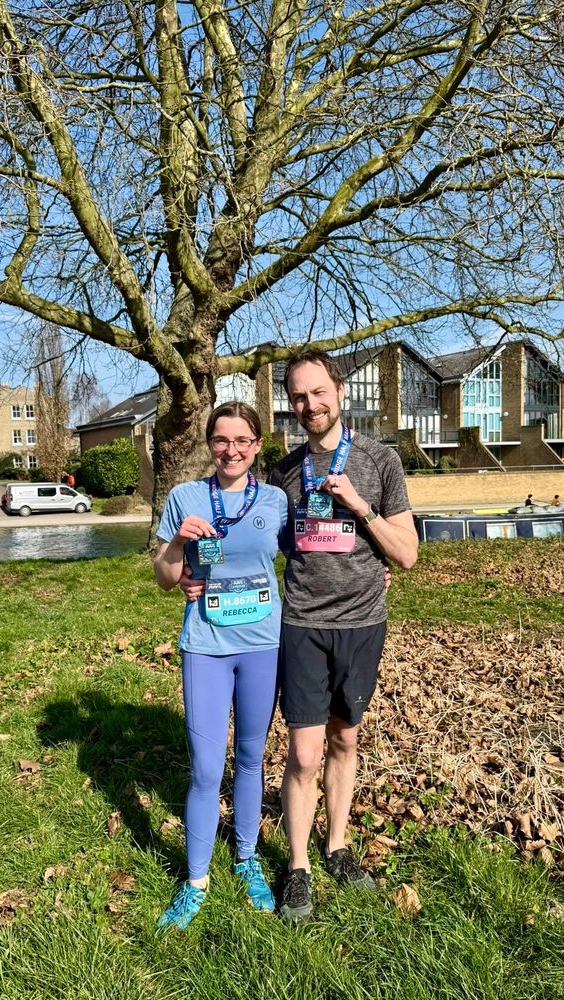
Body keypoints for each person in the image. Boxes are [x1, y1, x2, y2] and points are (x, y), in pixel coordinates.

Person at [268, 349, 418, 922]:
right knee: (304, 752)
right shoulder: (283, 471)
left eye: (318, 393)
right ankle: (299, 867)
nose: (310, 405)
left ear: (340, 390)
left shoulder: (380, 461)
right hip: (303, 623)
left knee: (345, 741)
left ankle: (337, 848)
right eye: (299, 397)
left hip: (362, 624)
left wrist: (360, 509)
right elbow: (278, 546)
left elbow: (405, 555)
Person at [153, 401, 288, 931]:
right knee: (208, 768)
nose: (231, 450)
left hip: (262, 644)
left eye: (242, 441)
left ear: (257, 445)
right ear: (210, 444)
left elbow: (307, 558)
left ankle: (248, 858)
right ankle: (196, 881)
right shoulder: (185, 497)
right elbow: (165, 577)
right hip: (206, 645)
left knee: (252, 758)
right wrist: (181, 545)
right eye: (221, 440)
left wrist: (374, 576)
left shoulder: (275, 500)